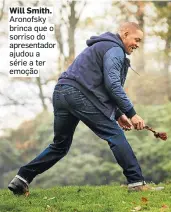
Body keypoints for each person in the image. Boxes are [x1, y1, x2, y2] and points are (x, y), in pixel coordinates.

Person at [8, 22, 158, 195]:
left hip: (61, 92)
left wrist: (118, 114)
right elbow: (113, 85)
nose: (137, 44)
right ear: (124, 34)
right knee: (114, 134)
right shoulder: (115, 49)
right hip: (79, 94)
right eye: (136, 39)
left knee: (60, 145)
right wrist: (132, 114)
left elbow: (98, 84)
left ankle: (22, 178)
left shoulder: (101, 47)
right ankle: (137, 182)